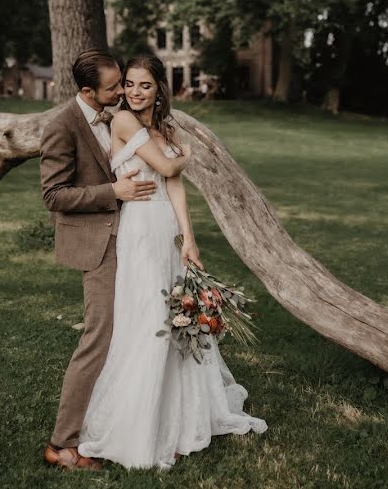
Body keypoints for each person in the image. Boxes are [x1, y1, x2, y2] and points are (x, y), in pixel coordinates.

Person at [76, 54, 266, 470]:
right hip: (140, 229)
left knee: (175, 315)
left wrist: (189, 238)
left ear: (159, 88)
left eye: (144, 85)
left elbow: (174, 184)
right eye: (128, 84)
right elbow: (167, 164)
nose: (134, 92)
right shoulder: (125, 121)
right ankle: (141, 425)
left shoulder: (164, 127)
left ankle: (180, 418)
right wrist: (187, 154)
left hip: (165, 228)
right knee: (147, 319)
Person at [39, 49, 158, 470]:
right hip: (98, 244)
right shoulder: (61, 126)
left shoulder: (113, 118)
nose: (123, 91)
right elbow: (54, 196)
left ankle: (121, 421)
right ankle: (61, 443)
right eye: (114, 87)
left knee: (134, 330)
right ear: (89, 91)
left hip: (131, 238)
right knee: (98, 336)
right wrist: (114, 192)